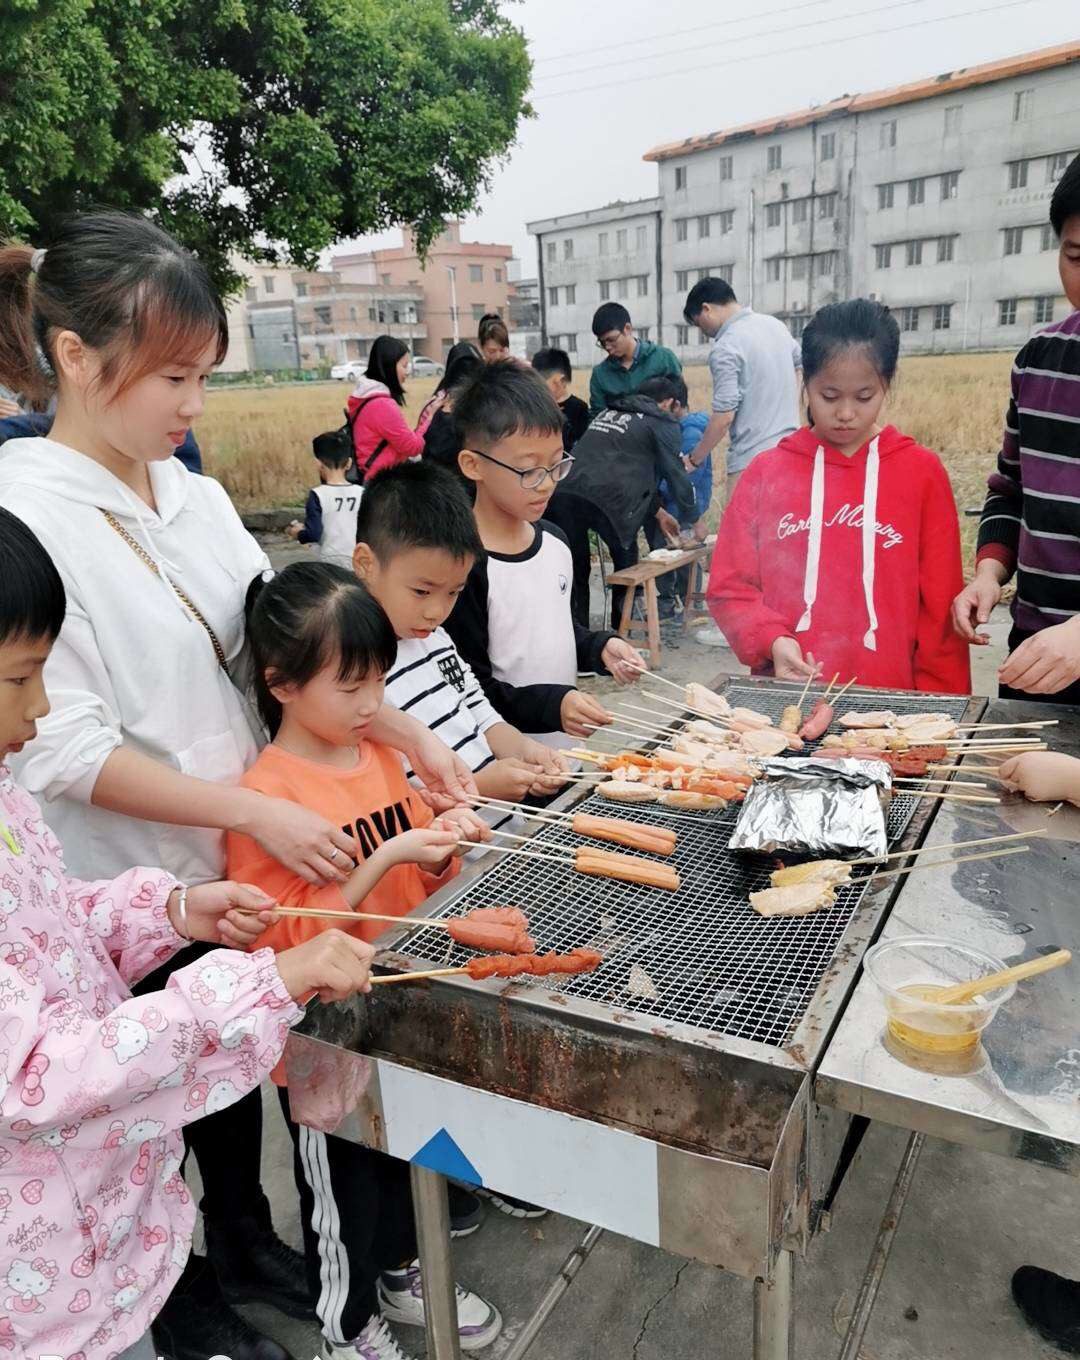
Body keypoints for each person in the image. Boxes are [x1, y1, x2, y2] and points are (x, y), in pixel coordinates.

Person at [0, 210, 478, 1360]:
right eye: (173, 377)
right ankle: (175, 1296)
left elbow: (288, 645)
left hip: (245, 861)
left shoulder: (195, 494)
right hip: (137, 872)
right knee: (145, 1093)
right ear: (75, 357)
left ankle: (241, 1237)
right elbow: (62, 746)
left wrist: (400, 730)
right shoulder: (29, 509)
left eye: (203, 378)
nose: (193, 407)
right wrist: (254, 806)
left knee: (233, 1079)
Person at [0, 505, 377, 1360]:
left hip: (98, 1229)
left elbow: (51, 921)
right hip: (44, 1291)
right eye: (23, 676)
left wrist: (171, 910)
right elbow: (31, 1078)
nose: (45, 703)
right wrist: (266, 983)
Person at [227, 563, 502, 1360]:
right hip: (324, 1042)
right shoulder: (266, 797)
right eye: (350, 686)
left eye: (379, 681)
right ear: (280, 684)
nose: (371, 705)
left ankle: (403, 1270)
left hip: (399, 1006)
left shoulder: (375, 757)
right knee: (341, 1193)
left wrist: (448, 846)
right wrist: (385, 861)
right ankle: (345, 1327)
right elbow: (285, 949)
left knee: (401, 1164)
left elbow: (421, 874)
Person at [706, 299, 970, 693]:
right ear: (805, 382)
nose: (846, 413)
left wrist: (943, 711)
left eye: (864, 397)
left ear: (887, 383)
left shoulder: (920, 474)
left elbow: (940, 614)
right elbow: (731, 589)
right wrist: (771, 639)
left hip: (891, 707)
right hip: (788, 700)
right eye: (829, 396)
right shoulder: (766, 474)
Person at [355, 461, 570, 819]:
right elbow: (385, 811)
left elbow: (483, 718)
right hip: (450, 865)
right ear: (365, 563)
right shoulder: (350, 672)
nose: (436, 611)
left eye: (454, 591)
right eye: (422, 591)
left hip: (504, 835)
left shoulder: (437, 640)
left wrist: (524, 750)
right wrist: (481, 787)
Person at [445, 362, 644, 745]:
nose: (547, 484)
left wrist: (599, 647)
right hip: (506, 771)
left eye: (556, 465)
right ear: (473, 465)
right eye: (529, 471)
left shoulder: (554, 542)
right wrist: (553, 706)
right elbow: (470, 688)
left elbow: (555, 630)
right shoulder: (459, 568)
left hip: (565, 754)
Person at [952, 152, 1080, 704]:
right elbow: (1010, 493)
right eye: (1077, 255)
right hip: (1035, 654)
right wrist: (987, 575)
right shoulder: (1039, 361)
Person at [544, 375, 695, 630]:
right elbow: (676, 474)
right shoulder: (660, 423)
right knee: (626, 564)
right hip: (611, 502)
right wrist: (694, 518)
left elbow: (623, 469)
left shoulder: (608, 413)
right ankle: (620, 633)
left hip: (566, 491)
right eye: (677, 409)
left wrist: (658, 513)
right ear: (669, 403)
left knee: (575, 568)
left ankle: (577, 635)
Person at [682, 277, 802, 505]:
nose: (704, 332)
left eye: (699, 324)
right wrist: (791, 401)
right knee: (783, 534)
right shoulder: (775, 325)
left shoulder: (726, 346)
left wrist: (694, 459)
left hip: (752, 463)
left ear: (706, 309)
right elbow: (800, 363)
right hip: (791, 454)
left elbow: (724, 416)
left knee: (742, 537)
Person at [641, 375, 712, 620]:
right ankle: (669, 601)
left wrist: (662, 487)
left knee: (684, 557)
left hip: (682, 507)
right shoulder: (675, 429)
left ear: (675, 404)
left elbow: (685, 478)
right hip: (671, 505)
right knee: (664, 553)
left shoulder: (691, 432)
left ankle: (690, 603)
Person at [348, 335, 428, 484]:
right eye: (404, 366)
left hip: (374, 480)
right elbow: (413, 447)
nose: (407, 372)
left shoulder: (366, 397)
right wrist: (428, 420)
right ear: (389, 366)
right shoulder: (382, 405)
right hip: (385, 485)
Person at [588, 302, 681, 416]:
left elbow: (679, 402)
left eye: (611, 340)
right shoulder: (600, 375)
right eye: (602, 343)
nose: (607, 347)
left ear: (627, 328)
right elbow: (597, 417)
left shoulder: (664, 359)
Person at [287, 439, 362, 567]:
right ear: (349, 463)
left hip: (331, 564)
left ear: (318, 464)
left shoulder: (318, 495)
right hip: (360, 561)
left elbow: (313, 534)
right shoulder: (362, 492)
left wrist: (298, 532)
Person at [421, 342, 484, 478]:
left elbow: (422, 444)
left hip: (437, 484)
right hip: (471, 485)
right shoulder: (487, 406)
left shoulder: (434, 404)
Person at [531, 346, 590, 450]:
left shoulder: (579, 408)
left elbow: (580, 445)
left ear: (561, 381)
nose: (538, 389)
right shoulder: (535, 407)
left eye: (542, 384)